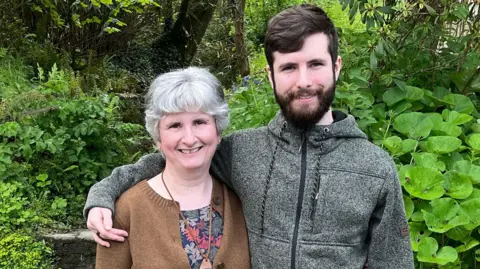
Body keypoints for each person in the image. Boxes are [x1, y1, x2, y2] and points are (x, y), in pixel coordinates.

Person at [87, 4, 414, 268]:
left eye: (315, 64)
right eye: (288, 68)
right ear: (270, 76)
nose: (303, 81)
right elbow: (174, 159)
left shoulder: (375, 168)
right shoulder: (243, 151)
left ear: (336, 67)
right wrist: (102, 196)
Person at [95, 67, 250, 269]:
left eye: (199, 122)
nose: (189, 138)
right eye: (175, 125)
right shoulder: (127, 209)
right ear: (157, 138)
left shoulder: (242, 199)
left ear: (218, 131)